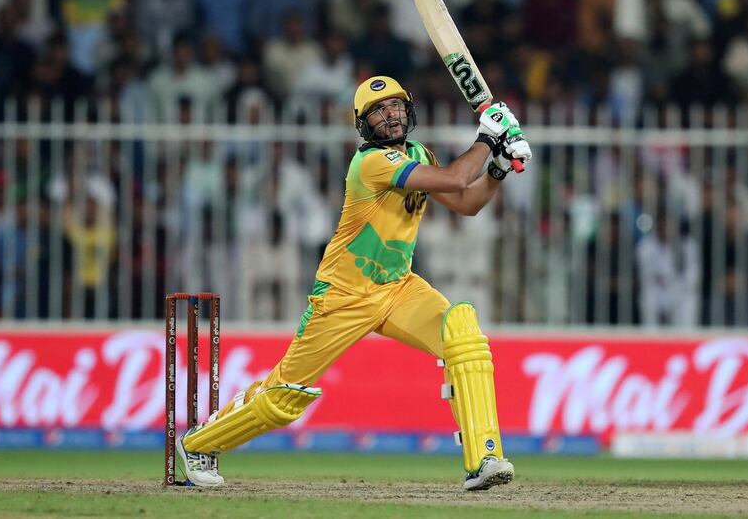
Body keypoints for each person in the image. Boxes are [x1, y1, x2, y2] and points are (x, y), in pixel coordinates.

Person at [175, 76, 532, 490]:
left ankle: (484, 458)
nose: (390, 115)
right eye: (378, 111)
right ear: (364, 125)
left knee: (463, 332)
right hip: (343, 297)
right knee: (284, 396)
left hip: (398, 288)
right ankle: (200, 442)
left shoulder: (417, 152)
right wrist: (491, 136)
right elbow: (455, 179)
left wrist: (497, 168)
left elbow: (466, 202)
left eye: (396, 105)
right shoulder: (371, 163)